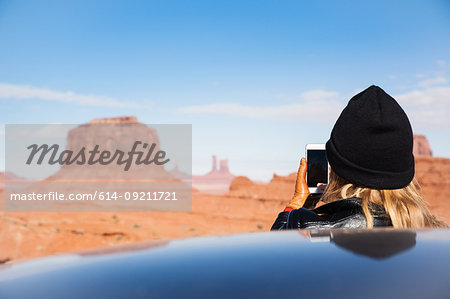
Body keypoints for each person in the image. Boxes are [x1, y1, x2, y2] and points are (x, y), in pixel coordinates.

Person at [271, 85, 447, 230]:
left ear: (337, 168)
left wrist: (296, 205)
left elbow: (273, 260)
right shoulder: (438, 234)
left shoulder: (306, 228)